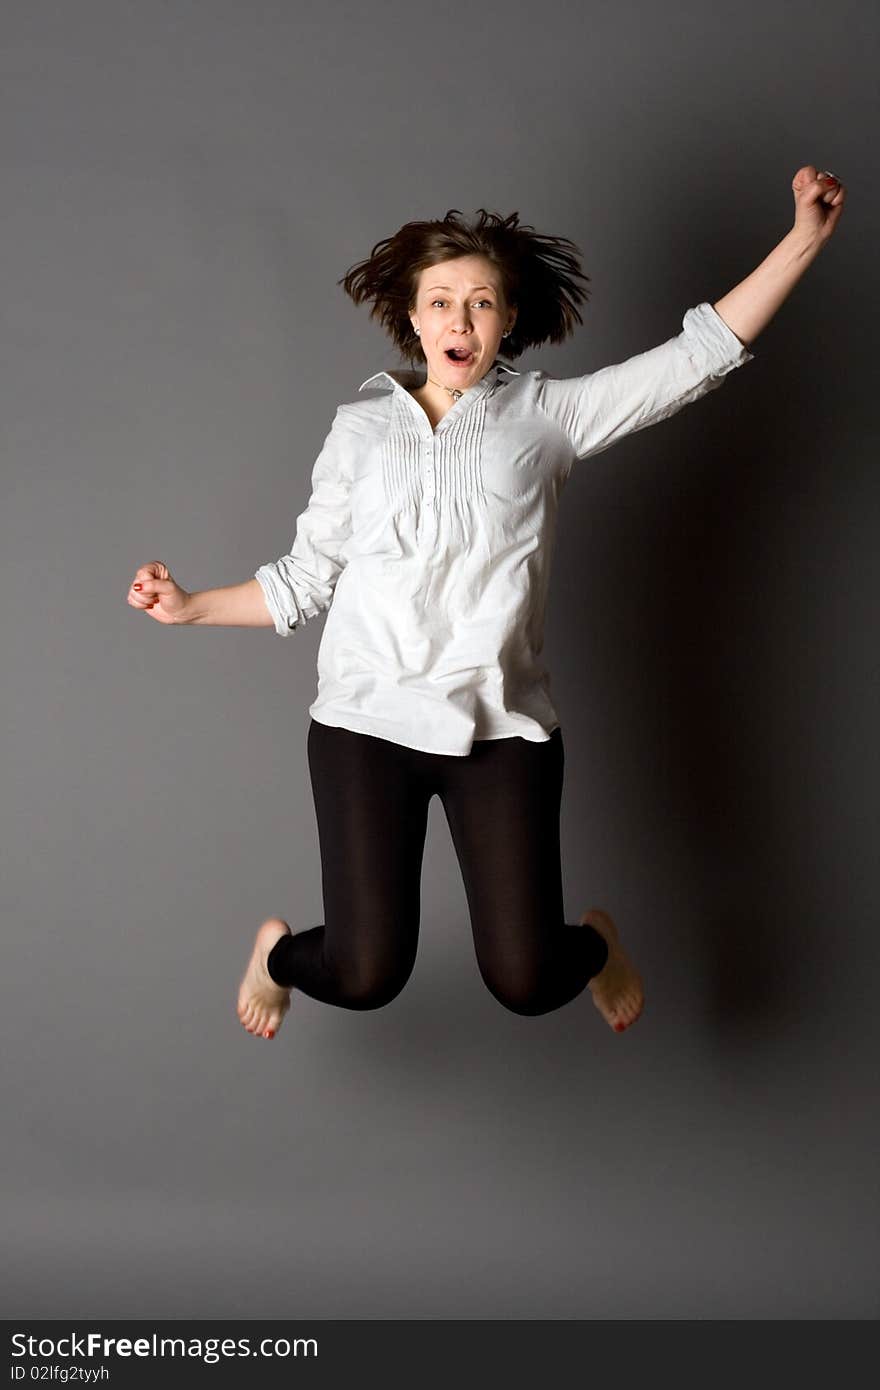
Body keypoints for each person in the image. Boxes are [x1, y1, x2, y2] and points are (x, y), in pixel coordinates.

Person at [126, 165, 846, 1042]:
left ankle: (593, 946)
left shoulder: (547, 419)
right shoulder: (359, 430)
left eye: (479, 303)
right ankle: (278, 956)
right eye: (439, 301)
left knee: (529, 979)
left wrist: (804, 237)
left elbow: (692, 362)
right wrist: (189, 605)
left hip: (501, 730)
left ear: (509, 321)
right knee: (362, 974)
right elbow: (305, 580)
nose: (457, 321)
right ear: (412, 316)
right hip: (364, 722)